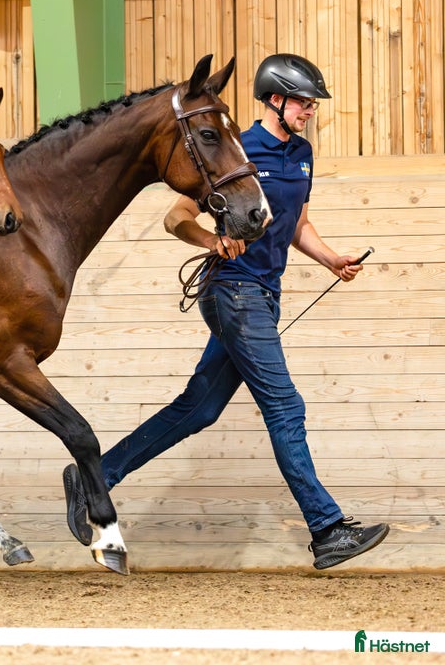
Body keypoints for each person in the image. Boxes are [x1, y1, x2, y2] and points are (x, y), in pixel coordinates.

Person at [64, 53, 389, 570]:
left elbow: (296, 222)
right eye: (304, 102)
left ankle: (95, 476)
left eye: (312, 104)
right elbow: (176, 218)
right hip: (234, 294)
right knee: (286, 408)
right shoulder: (241, 149)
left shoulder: (301, 153)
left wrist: (332, 259)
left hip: (264, 295)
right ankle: (327, 529)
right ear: (275, 100)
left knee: (199, 408)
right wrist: (213, 239)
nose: (310, 111)